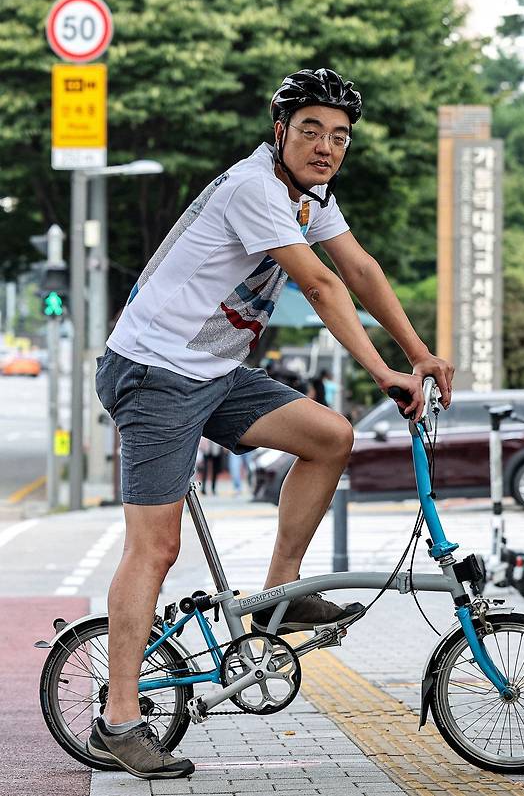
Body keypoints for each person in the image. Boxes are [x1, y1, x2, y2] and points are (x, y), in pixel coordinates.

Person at [90, 68, 454, 780]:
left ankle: (277, 601)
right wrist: (383, 370)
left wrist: (419, 351)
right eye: (311, 130)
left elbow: (360, 269)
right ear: (280, 131)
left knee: (331, 437)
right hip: (153, 371)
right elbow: (320, 284)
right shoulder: (254, 187)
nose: (325, 147)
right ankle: (120, 719)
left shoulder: (311, 196)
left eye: (339, 136)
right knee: (155, 548)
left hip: (213, 370)